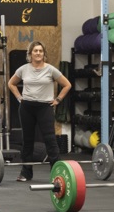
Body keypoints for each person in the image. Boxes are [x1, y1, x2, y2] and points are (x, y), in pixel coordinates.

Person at [8, 41, 72, 182]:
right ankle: (26, 173)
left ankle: (57, 173)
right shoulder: (23, 69)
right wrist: (19, 97)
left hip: (45, 107)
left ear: (44, 54)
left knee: (50, 140)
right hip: (26, 108)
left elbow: (67, 85)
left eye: (40, 51)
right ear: (30, 54)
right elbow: (11, 83)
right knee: (27, 140)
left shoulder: (50, 70)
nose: (38, 53)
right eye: (35, 51)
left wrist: (58, 99)